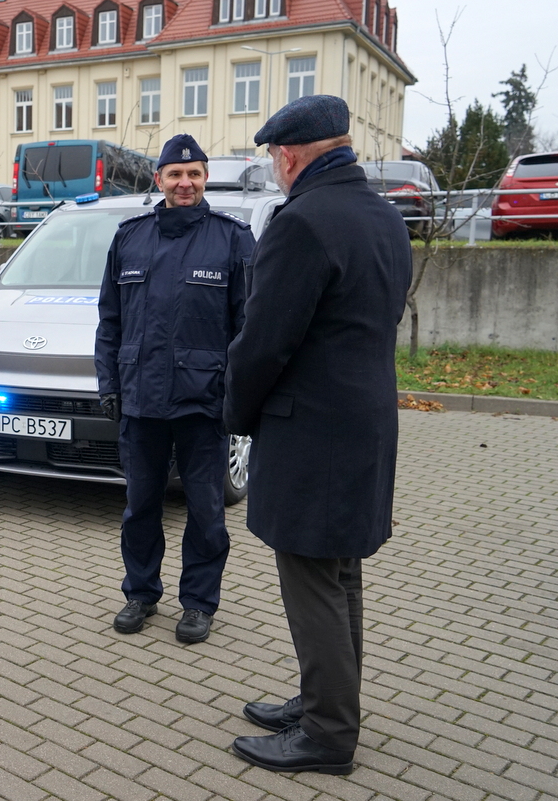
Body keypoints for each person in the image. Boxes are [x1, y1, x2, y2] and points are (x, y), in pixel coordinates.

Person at [224, 95, 412, 775]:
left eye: (275, 158)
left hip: (311, 432)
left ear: (289, 156)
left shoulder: (301, 222)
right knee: (340, 574)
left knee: (312, 582)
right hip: (364, 422)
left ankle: (328, 735)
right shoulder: (385, 215)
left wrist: (235, 415)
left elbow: (264, 342)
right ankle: (323, 703)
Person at [95, 134, 253, 644]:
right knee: (140, 506)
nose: (185, 183)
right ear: (159, 179)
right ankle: (140, 593)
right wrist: (108, 383)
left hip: (203, 403)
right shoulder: (130, 238)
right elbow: (110, 321)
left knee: (205, 511)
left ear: (205, 179)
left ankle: (199, 603)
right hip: (140, 399)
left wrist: (237, 398)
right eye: (176, 175)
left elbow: (247, 329)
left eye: (194, 174)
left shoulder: (232, 239)